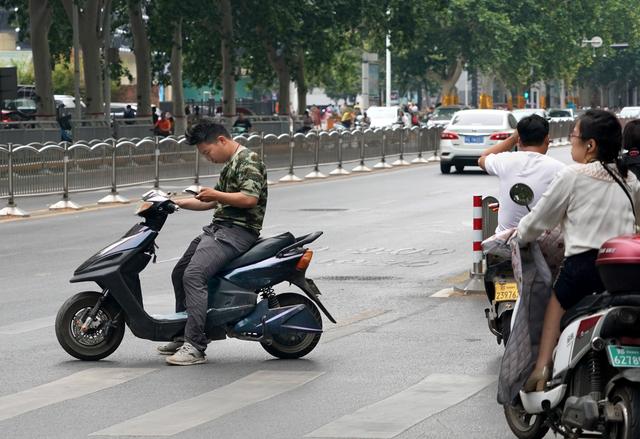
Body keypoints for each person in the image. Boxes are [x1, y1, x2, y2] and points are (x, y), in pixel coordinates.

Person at [517, 109, 640, 391]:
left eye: (573, 136)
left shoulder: (573, 175)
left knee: (554, 304)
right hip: (627, 272)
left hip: (585, 268)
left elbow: (537, 222)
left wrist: (520, 235)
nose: (571, 141)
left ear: (590, 145)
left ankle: (541, 370)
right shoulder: (630, 180)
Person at [160, 119, 268, 365]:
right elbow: (210, 202)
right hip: (219, 229)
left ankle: (195, 345)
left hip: (237, 232)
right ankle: (182, 333)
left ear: (221, 140)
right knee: (179, 273)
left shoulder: (248, 160)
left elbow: (248, 199)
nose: (208, 158)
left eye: (207, 152)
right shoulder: (232, 163)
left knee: (194, 275)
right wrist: (174, 202)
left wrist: (215, 194)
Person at [478, 115, 565, 232]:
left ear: (519, 141)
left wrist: (512, 139)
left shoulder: (505, 161)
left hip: (506, 244)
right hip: (543, 243)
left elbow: (483, 158)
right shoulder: (559, 169)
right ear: (547, 140)